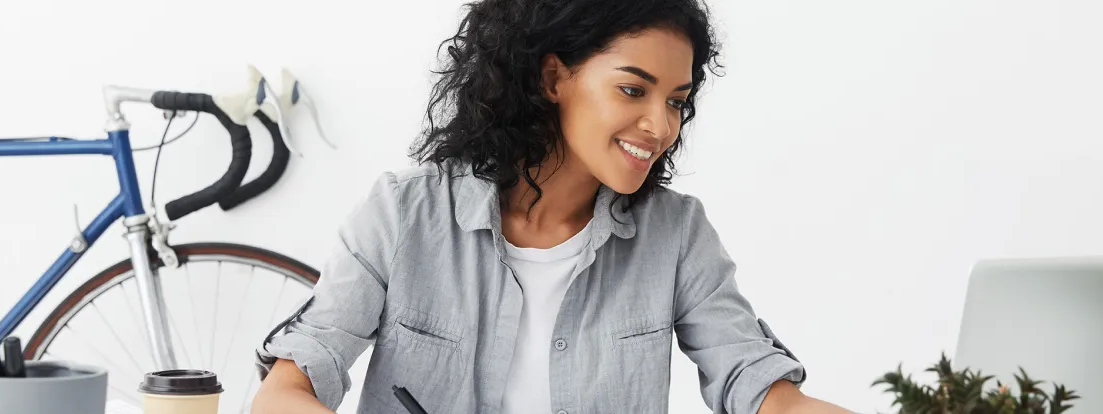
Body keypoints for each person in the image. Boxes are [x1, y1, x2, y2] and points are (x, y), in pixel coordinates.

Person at [252, 0, 852, 412]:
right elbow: (288, 386)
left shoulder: (676, 235)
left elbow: (756, 383)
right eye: (633, 89)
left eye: (676, 100)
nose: (660, 124)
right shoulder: (405, 216)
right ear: (553, 78)